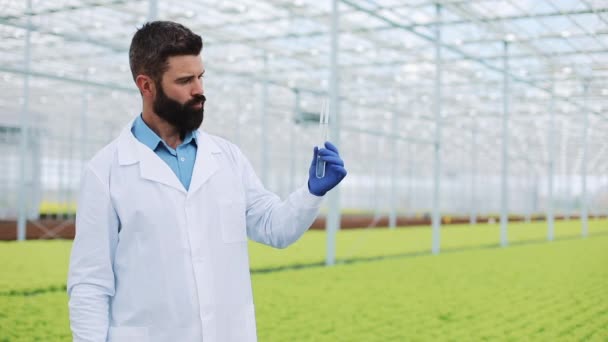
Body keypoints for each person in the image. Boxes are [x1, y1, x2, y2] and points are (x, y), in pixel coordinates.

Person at [67, 21, 346, 342]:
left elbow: (274, 227)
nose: (199, 90)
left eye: (200, 77)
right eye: (185, 80)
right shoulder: (106, 171)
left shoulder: (227, 157)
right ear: (146, 86)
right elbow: (90, 283)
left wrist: (312, 192)